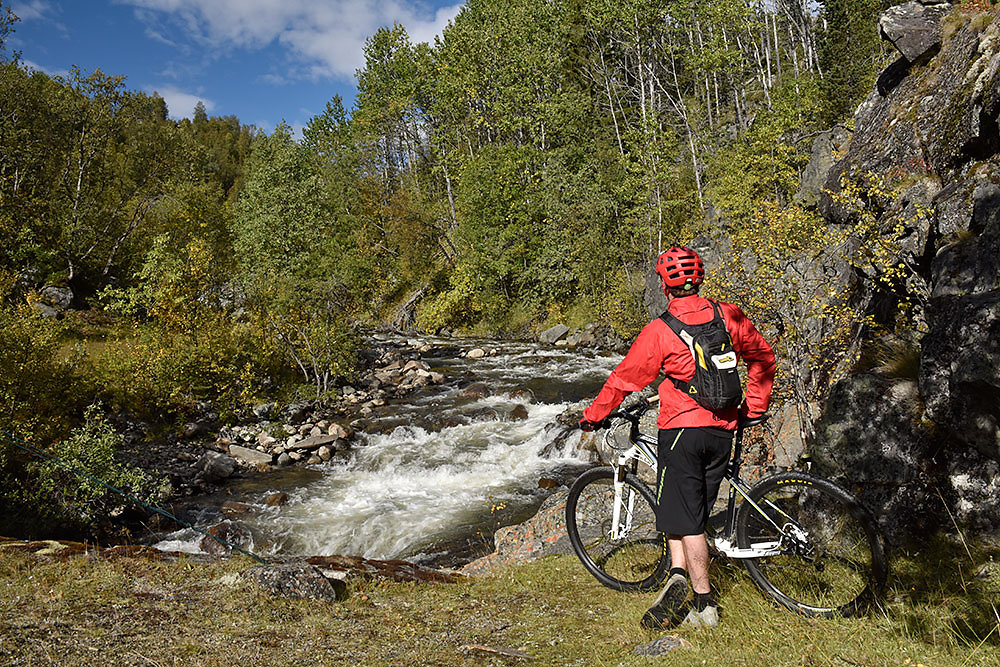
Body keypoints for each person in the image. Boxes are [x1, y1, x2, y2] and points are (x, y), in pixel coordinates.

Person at [579, 246, 775, 629]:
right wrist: (753, 407)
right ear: (699, 278)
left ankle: (704, 606)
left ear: (664, 285)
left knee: (689, 522)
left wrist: (593, 416)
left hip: (681, 431)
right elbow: (763, 357)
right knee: (687, 508)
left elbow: (624, 379)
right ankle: (677, 573)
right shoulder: (728, 315)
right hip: (723, 429)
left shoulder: (660, 330)